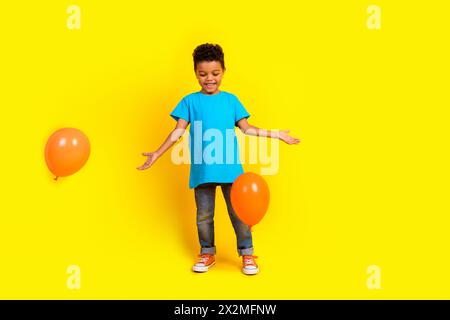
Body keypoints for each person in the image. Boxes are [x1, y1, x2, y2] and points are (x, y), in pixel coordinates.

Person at [137, 43, 300, 275]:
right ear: (195, 73)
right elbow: (178, 131)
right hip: (203, 172)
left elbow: (247, 128)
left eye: (215, 73)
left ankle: (247, 253)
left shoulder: (231, 100)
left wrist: (276, 135)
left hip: (231, 171)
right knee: (203, 216)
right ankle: (207, 252)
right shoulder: (190, 101)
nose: (209, 79)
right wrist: (157, 153)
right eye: (202, 74)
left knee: (239, 215)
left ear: (223, 71)